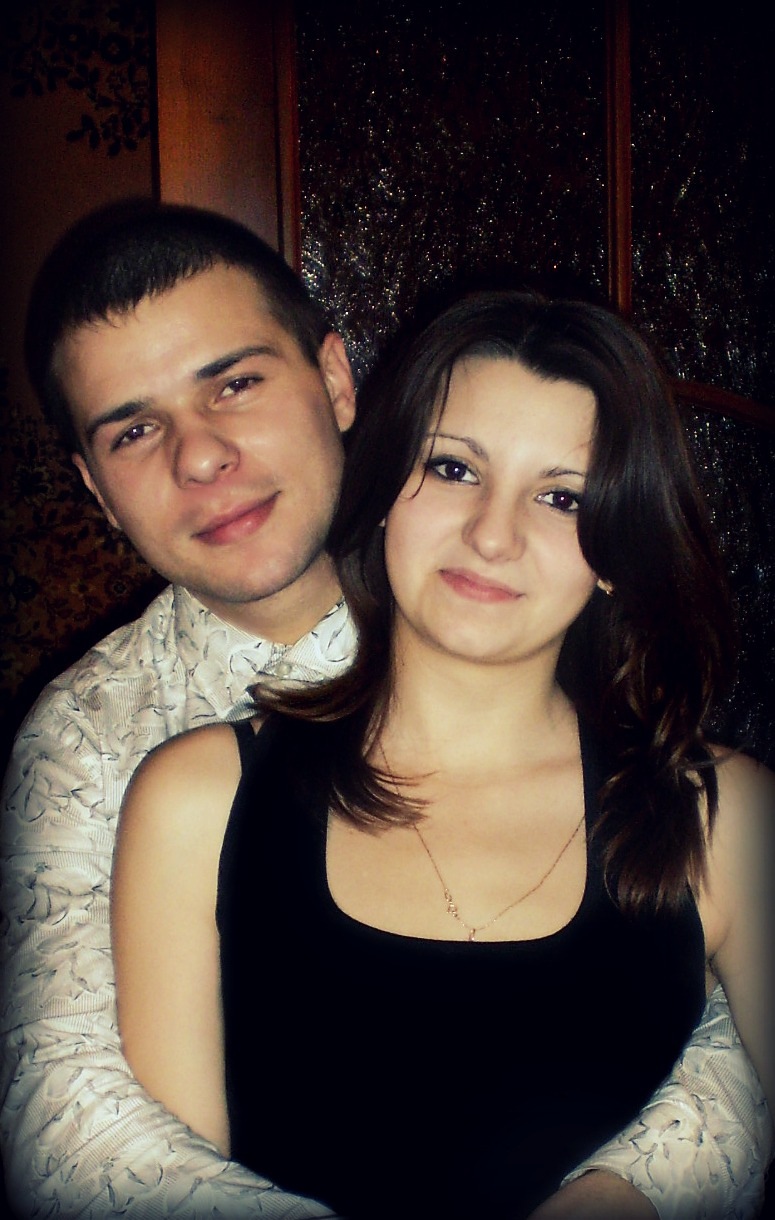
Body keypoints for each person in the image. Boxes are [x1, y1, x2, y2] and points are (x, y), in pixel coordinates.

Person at [0, 204, 769, 1219]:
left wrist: (631, 1187)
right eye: (134, 430)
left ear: (335, 379)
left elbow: (678, 986)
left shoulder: (542, 641)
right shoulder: (89, 743)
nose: (200, 457)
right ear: (96, 487)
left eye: (234, 383)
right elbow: (80, 1123)